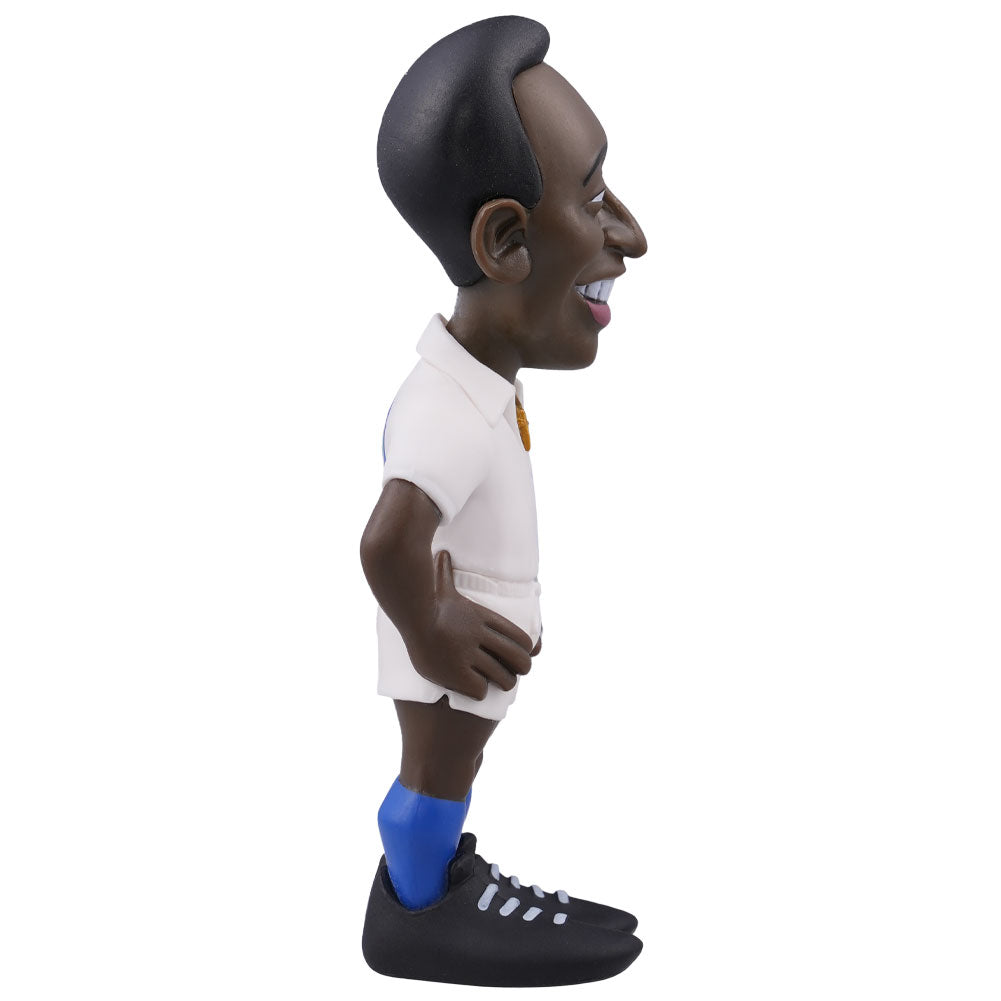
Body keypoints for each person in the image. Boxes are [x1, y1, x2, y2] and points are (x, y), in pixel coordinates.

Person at [360, 16, 648, 987]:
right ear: (505, 240)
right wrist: (435, 629)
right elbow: (385, 540)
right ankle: (419, 907)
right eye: (594, 198)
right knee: (436, 774)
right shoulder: (445, 405)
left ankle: (432, 883)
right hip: (450, 656)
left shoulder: (476, 388)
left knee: (453, 768)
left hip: (468, 643)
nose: (631, 234)